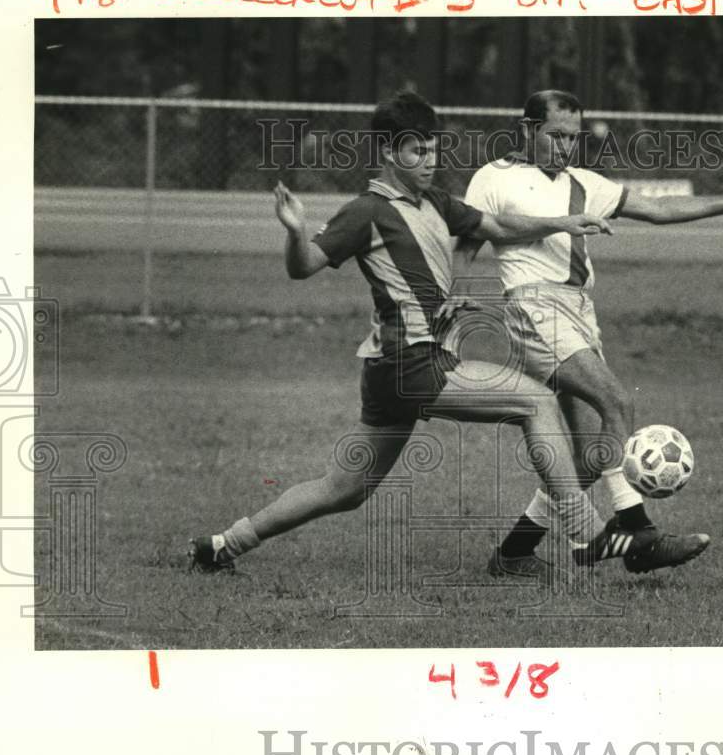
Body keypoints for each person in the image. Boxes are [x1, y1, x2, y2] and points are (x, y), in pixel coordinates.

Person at [188, 90, 674, 575]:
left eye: (434, 149)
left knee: (345, 489)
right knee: (536, 401)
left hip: (391, 369)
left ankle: (220, 546)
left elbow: (499, 227)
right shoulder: (365, 211)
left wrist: (563, 221)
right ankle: (587, 535)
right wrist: (295, 232)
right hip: (410, 362)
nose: (429, 161)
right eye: (417, 151)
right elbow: (304, 267)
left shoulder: (437, 202)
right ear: (388, 153)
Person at [462, 89, 723, 577]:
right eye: (554, 136)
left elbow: (656, 210)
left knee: (588, 455)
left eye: (572, 138)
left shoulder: (584, 182)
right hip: (534, 306)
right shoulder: (493, 178)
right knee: (617, 402)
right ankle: (639, 531)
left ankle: (513, 553)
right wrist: (447, 301)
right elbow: (480, 233)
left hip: (577, 312)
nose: (564, 147)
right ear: (526, 128)